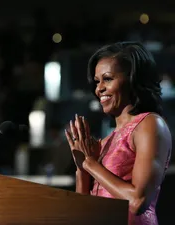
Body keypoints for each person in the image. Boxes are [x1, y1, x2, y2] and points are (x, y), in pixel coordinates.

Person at [65, 42, 172, 225]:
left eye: (107, 79)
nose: (99, 89)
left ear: (132, 79)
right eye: (97, 81)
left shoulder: (150, 124)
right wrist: (82, 169)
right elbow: (82, 212)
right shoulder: (106, 141)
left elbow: (138, 201)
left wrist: (90, 164)